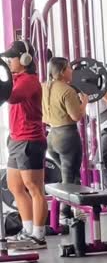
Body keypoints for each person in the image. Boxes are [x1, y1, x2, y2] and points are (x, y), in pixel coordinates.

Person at [2, 39, 48, 250]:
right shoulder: (16, 78)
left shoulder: (29, 80)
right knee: (15, 186)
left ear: (25, 59)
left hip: (30, 140)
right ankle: (28, 230)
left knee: (34, 188)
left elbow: (11, 97)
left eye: (12, 58)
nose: (9, 61)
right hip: (16, 140)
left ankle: (39, 236)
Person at [42, 57, 88, 208]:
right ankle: (65, 211)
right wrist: (84, 103)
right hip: (67, 137)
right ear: (62, 72)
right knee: (69, 177)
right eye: (69, 68)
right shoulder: (67, 90)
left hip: (51, 137)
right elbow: (76, 116)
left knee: (70, 174)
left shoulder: (43, 87)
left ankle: (74, 210)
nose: (72, 71)